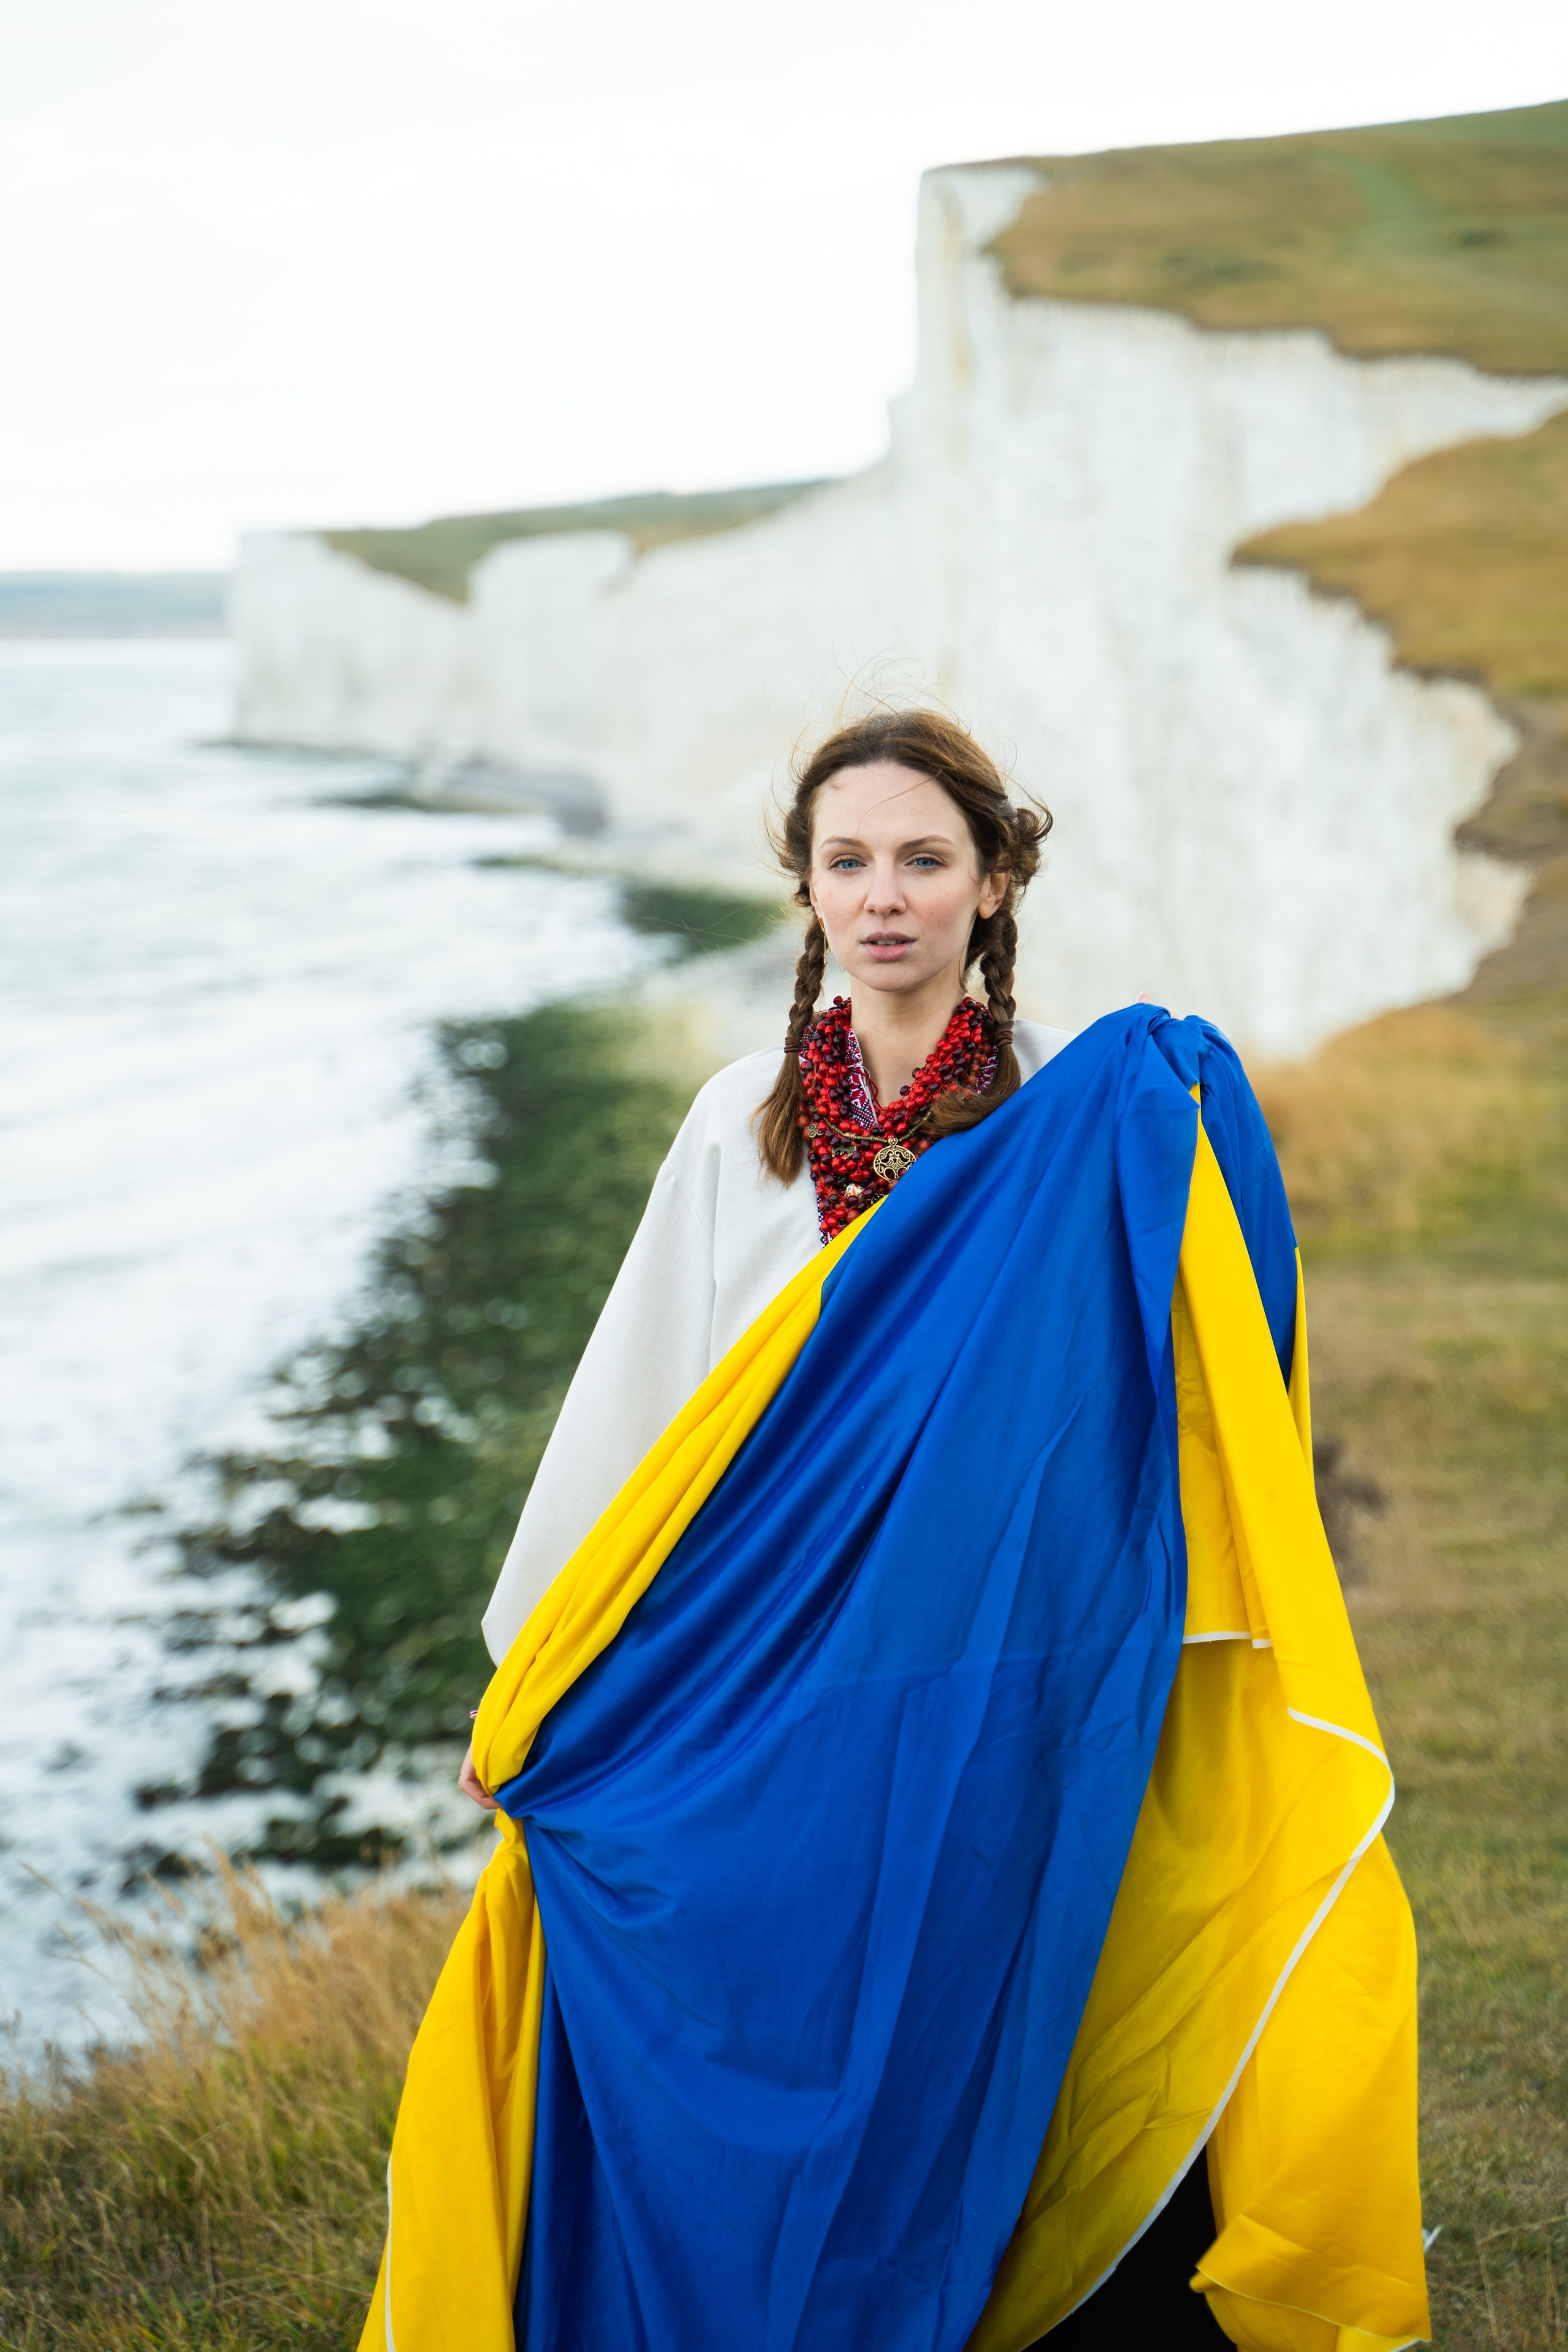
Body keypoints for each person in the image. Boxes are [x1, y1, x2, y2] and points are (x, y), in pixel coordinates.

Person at [363, 710, 1428, 2352]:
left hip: (985, 1662)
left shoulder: (1071, 1123)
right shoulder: (740, 1122)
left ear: (997, 881)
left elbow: (1149, 1396)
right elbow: (644, 1415)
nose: (886, 898)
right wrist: (539, 1678)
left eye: (925, 859)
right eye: (847, 861)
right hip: (762, 1669)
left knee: (976, 2014)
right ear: (802, 886)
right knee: (758, 2007)